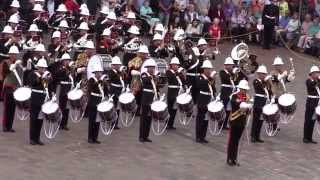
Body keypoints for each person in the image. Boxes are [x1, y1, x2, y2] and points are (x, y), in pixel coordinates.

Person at [27, 57, 52, 145]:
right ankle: (32, 138)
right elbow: (32, 82)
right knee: (33, 118)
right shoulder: (33, 74)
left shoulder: (47, 75)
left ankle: (37, 138)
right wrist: (41, 77)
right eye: (41, 67)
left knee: (40, 119)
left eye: (44, 68)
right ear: (37, 67)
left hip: (43, 98)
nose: (42, 69)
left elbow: (49, 86)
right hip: (35, 98)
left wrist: (52, 96)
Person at [227, 79, 251, 166]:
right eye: (243, 89)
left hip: (242, 121)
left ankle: (234, 158)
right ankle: (229, 158)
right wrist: (246, 105)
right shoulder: (234, 96)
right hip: (234, 120)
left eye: (245, 89)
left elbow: (248, 110)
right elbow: (236, 104)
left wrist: (249, 109)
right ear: (239, 88)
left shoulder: (247, 97)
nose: (244, 91)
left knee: (237, 141)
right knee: (232, 141)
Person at [2, 46, 22, 132]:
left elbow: (21, 74)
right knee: (7, 108)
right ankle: (5, 126)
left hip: (15, 89)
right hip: (8, 88)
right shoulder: (6, 62)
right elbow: (4, 72)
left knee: (13, 108)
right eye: (12, 54)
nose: (13, 55)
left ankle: (10, 126)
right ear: (9, 54)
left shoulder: (19, 64)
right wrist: (13, 66)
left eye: (15, 54)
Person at [87, 63, 109, 144]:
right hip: (93, 101)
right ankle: (90, 137)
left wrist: (107, 96)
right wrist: (100, 81)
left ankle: (95, 137)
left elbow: (106, 90)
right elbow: (91, 88)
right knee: (92, 121)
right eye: (98, 72)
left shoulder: (103, 81)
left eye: (100, 72)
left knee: (98, 120)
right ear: (95, 73)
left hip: (100, 102)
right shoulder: (91, 79)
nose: (99, 74)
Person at [251, 65, 273, 143]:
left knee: (261, 120)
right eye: (262, 74)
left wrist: (271, 97)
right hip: (258, 102)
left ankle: (257, 136)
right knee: (255, 120)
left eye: (264, 74)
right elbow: (260, 88)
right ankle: (253, 136)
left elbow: (269, 91)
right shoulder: (256, 81)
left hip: (264, 102)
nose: (263, 75)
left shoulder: (266, 83)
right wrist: (266, 82)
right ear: (258, 74)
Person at [195, 60, 216, 143]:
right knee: (200, 119)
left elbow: (213, 88)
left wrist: (215, 95)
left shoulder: (210, 79)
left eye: (209, 69)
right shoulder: (199, 77)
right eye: (207, 69)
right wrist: (210, 78)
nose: (209, 70)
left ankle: (203, 136)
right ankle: (198, 136)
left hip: (209, 99)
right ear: (203, 69)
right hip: (202, 100)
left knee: (206, 119)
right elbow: (200, 85)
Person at [53, 53, 75, 131]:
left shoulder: (70, 68)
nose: (67, 62)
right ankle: (60, 123)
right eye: (65, 60)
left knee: (67, 108)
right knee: (61, 107)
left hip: (69, 88)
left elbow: (73, 77)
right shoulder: (60, 68)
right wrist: (65, 70)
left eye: (68, 60)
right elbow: (57, 76)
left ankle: (65, 124)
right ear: (62, 61)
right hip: (62, 88)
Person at [139, 58, 158, 143]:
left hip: (152, 98)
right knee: (144, 118)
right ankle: (141, 136)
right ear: (148, 68)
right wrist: (152, 77)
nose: (153, 69)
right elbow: (145, 80)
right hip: (146, 99)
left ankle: (146, 135)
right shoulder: (144, 74)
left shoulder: (154, 76)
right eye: (151, 67)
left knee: (149, 118)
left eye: (153, 68)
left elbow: (157, 86)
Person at [108, 56, 127, 130]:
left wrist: (123, 74)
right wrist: (120, 73)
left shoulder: (120, 72)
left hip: (119, 90)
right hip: (113, 90)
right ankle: (111, 123)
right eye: (116, 65)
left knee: (118, 108)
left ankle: (115, 123)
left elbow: (125, 80)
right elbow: (113, 78)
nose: (117, 66)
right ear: (112, 65)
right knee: (113, 107)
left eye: (118, 65)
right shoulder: (111, 72)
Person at [166, 57, 185, 130]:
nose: (175, 66)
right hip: (171, 92)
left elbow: (183, 81)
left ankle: (171, 124)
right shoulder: (169, 72)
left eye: (177, 65)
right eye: (174, 65)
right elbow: (171, 78)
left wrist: (181, 74)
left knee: (174, 109)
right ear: (171, 65)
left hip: (178, 92)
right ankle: (167, 123)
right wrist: (178, 73)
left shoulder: (179, 73)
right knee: (170, 109)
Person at [303, 65, 320, 144]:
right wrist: (317, 80)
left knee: (313, 120)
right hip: (310, 102)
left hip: (317, 102)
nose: (317, 74)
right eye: (316, 73)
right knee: (308, 120)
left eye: (318, 72)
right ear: (312, 74)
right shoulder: (308, 80)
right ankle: (305, 137)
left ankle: (310, 137)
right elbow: (311, 86)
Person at [219, 57, 236, 130]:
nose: (230, 66)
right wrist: (233, 73)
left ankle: (225, 124)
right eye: (228, 65)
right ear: (225, 65)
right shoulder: (222, 72)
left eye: (231, 65)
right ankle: (220, 123)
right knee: (223, 108)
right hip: (225, 92)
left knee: (228, 110)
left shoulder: (233, 73)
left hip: (231, 92)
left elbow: (236, 81)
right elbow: (227, 78)